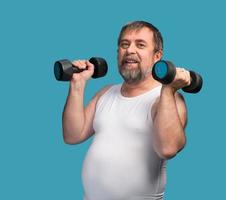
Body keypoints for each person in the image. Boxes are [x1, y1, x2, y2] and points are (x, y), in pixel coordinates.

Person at [62, 21, 190, 200]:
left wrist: (168, 89)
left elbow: (168, 149)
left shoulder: (166, 99)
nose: (130, 50)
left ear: (157, 56)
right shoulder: (105, 93)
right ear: (118, 53)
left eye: (140, 44)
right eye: (124, 44)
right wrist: (77, 85)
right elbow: (72, 135)